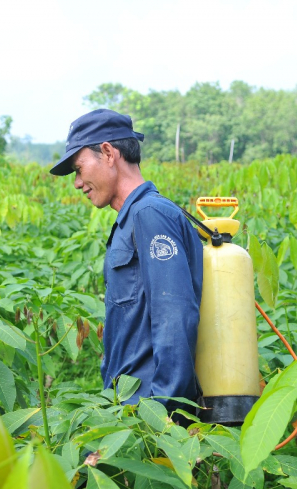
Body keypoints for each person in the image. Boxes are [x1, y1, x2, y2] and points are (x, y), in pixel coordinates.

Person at [50, 109, 204, 414]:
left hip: (150, 413)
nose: (77, 183)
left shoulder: (150, 215)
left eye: (79, 169)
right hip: (128, 408)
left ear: (108, 153)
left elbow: (174, 319)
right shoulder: (133, 217)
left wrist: (163, 416)